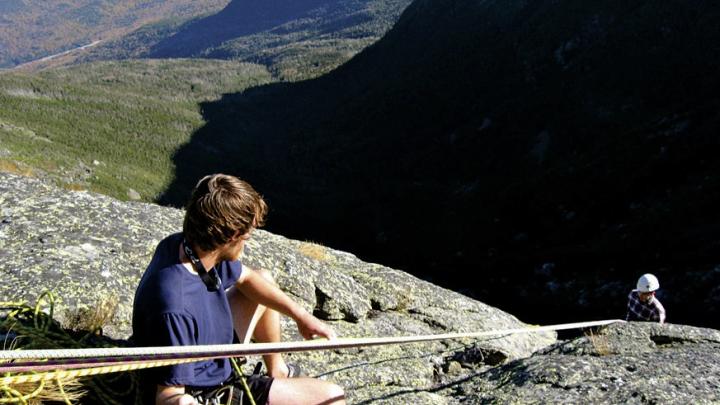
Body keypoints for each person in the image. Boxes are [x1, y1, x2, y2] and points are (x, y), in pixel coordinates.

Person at [132, 174, 346, 405]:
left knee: (263, 278)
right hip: (206, 387)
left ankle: (278, 371)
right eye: (247, 236)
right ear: (233, 236)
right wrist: (182, 402)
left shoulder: (186, 245)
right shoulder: (175, 306)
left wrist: (301, 317)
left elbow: (248, 278)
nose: (246, 243)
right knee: (332, 397)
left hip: (209, 351)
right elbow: (167, 395)